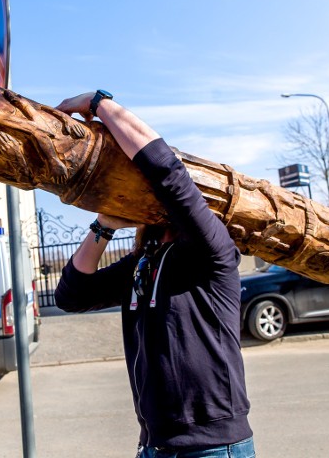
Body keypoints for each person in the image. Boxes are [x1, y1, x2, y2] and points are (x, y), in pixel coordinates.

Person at [53, 91, 255, 457]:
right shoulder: (144, 262)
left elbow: (168, 173)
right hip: (154, 446)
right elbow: (71, 296)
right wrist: (103, 225)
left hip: (213, 448)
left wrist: (100, 104)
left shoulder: (211, 251)